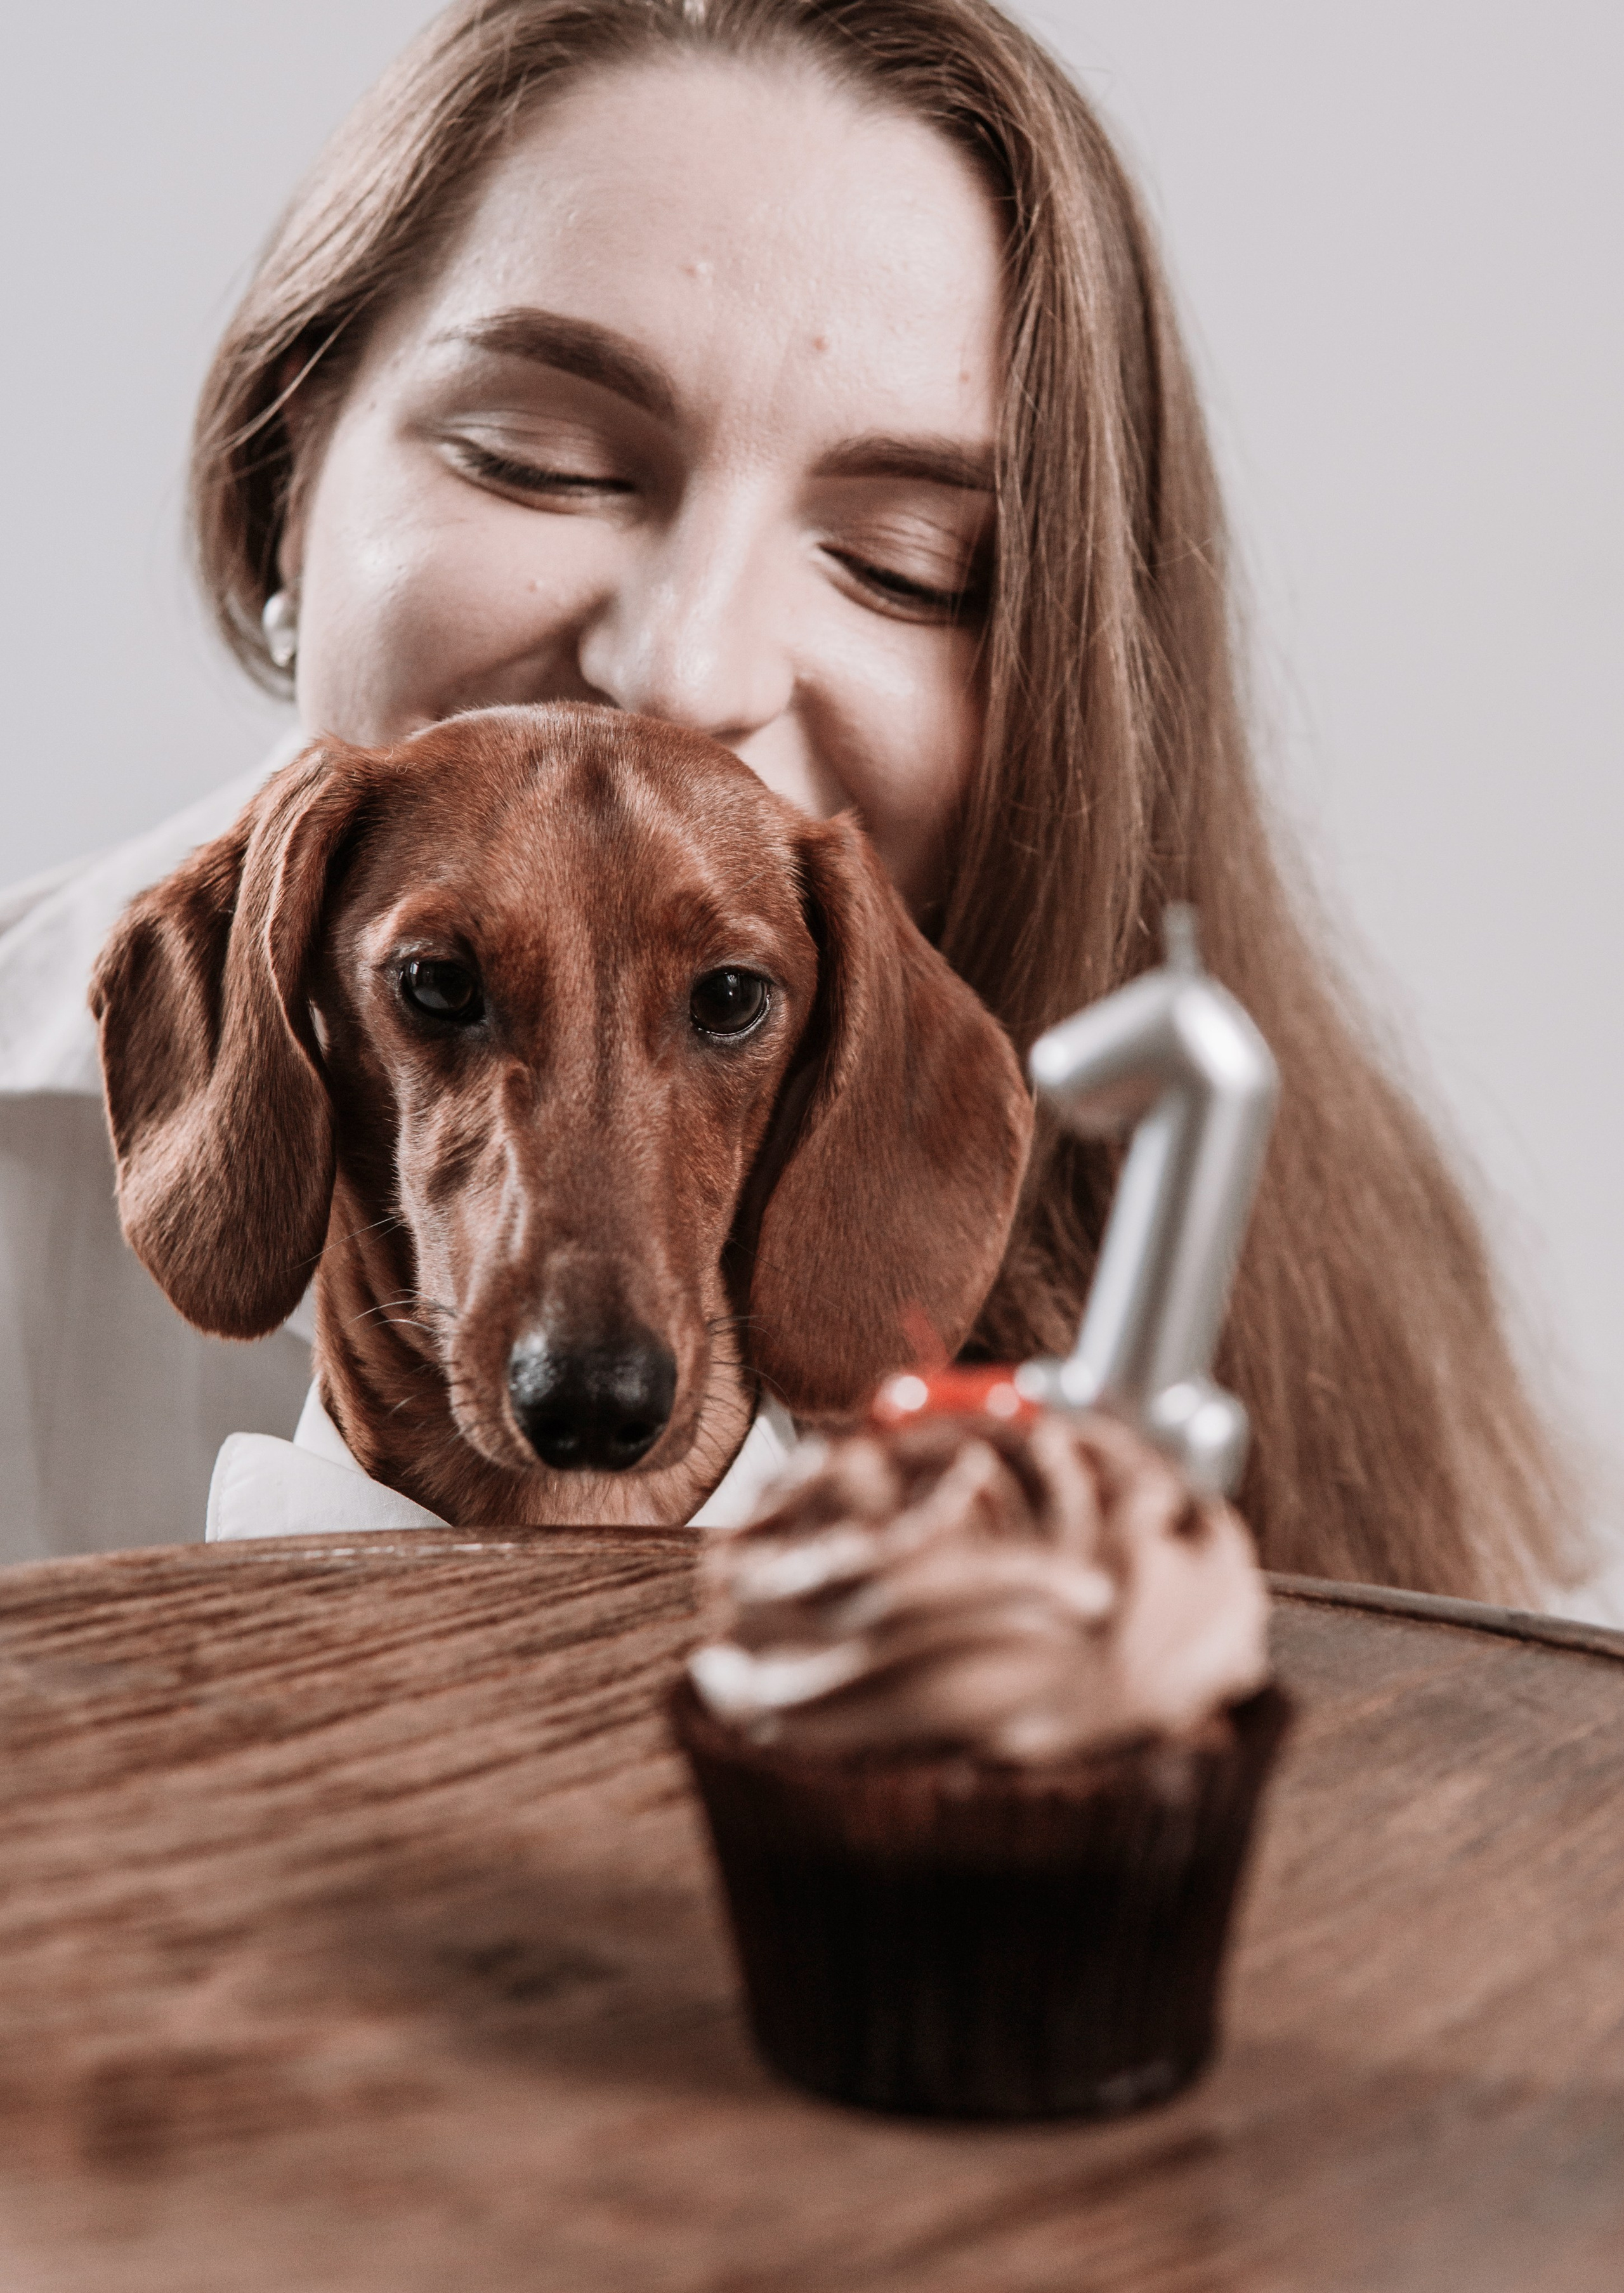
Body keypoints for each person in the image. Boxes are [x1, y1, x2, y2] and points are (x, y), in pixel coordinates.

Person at [0, 0, 1583, 1599]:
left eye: (900, 563)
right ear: (285, 481)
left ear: (1047, 691)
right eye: (539, 457)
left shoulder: (1275, 1343)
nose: (684, 678)